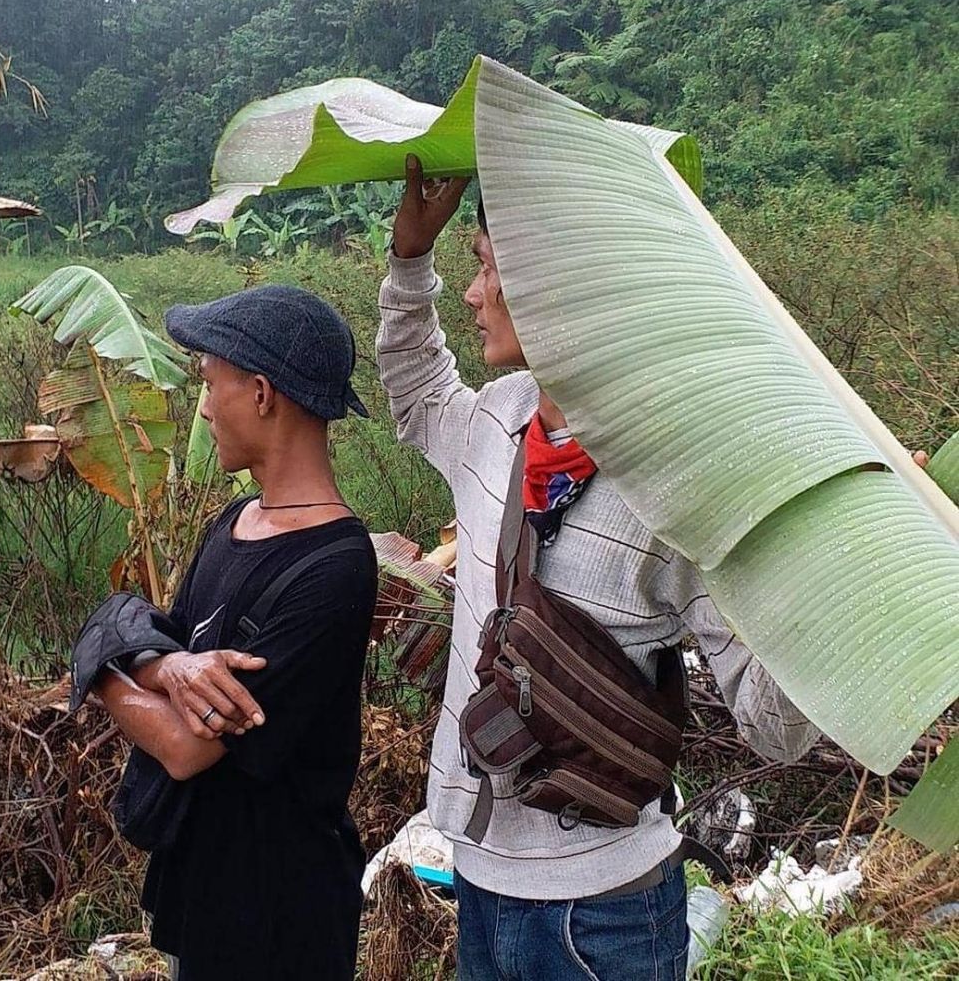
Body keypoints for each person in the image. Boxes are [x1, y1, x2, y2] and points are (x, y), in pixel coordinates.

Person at [377, 156, 823, 980]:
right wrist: (411, 260)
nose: (473, 294)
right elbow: (414, 389)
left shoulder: (677, 487)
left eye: (486, 269)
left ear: (555, 287)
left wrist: (825, 563)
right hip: (475, 878)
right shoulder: (496, 422)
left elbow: (776, 726)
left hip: (606, 915)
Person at [93, 285, 378, 981]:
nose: (203, 405)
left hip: (283, 921)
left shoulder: (335, 566)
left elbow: (190, 748)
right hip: (208, 895)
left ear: (260, 393)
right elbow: (163, 642)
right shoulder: (235, 523)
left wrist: (102, 673)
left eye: (210, 381)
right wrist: (166, 669)